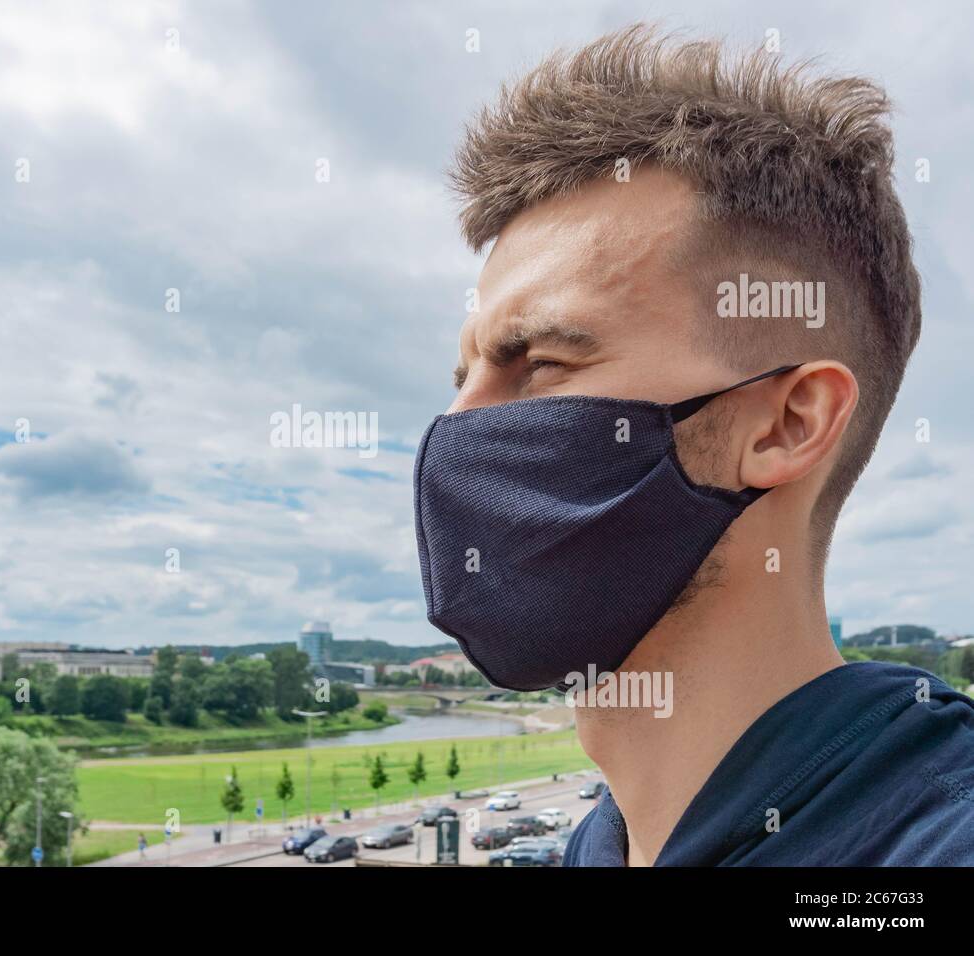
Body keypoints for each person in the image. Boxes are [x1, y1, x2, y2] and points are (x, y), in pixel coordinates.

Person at [414, 24, 974, 866]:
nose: (456, 430)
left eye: (540, 364)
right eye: (461, 377)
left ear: (788, 423)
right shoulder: (602, 841)